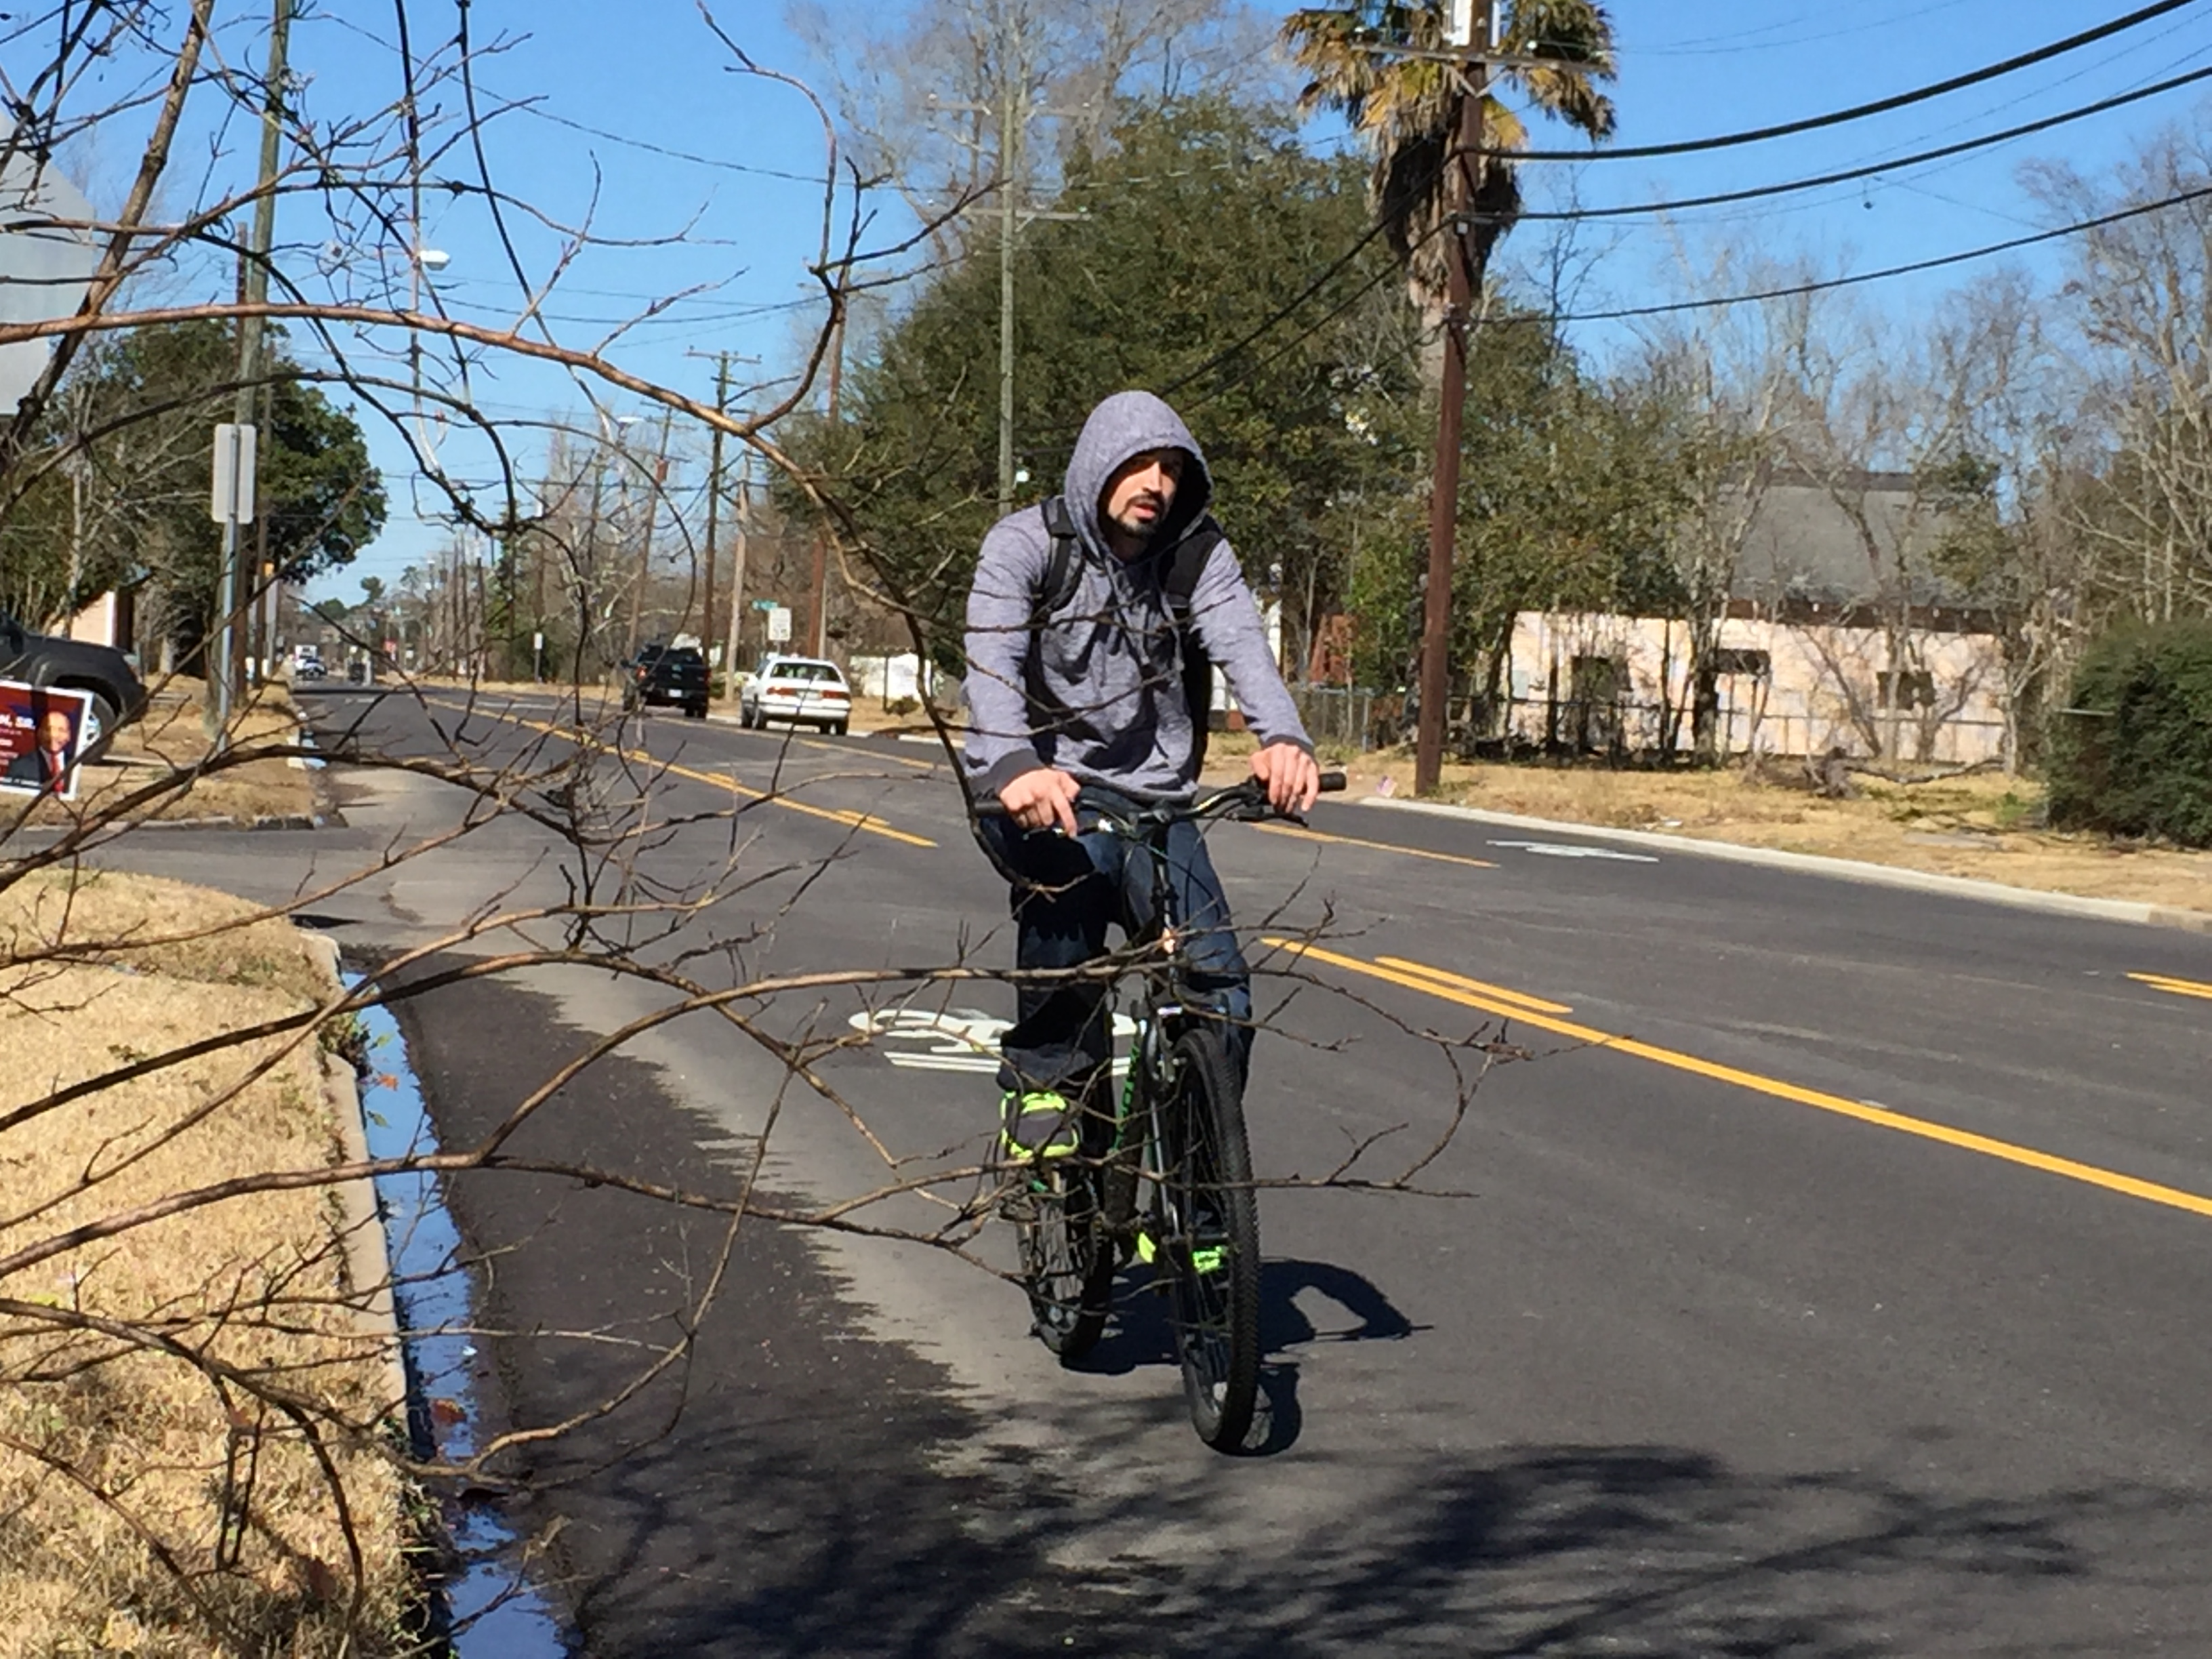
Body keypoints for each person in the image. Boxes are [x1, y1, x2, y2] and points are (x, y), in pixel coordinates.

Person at [964, 389, 1320, 1162]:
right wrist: (1018, 765)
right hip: (1036, 784)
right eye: (1138, 465)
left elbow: (1241, 644)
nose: (1156, 483)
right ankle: (1049, 1095)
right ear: (1099, 466)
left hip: (1153, 796)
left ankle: (1200, 1183)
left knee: (1219, 985)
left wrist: (1283, 739)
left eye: (1170, 469)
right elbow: (988, 664)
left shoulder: (1197, 554)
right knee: (1075, 892)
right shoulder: (1026, 545)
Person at [5, 708, 75, 795]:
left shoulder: (76, 765)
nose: (54, 735)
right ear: (39, 733)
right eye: (49, 729)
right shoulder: (20, 766)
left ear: (69, 736)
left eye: (61, 730)